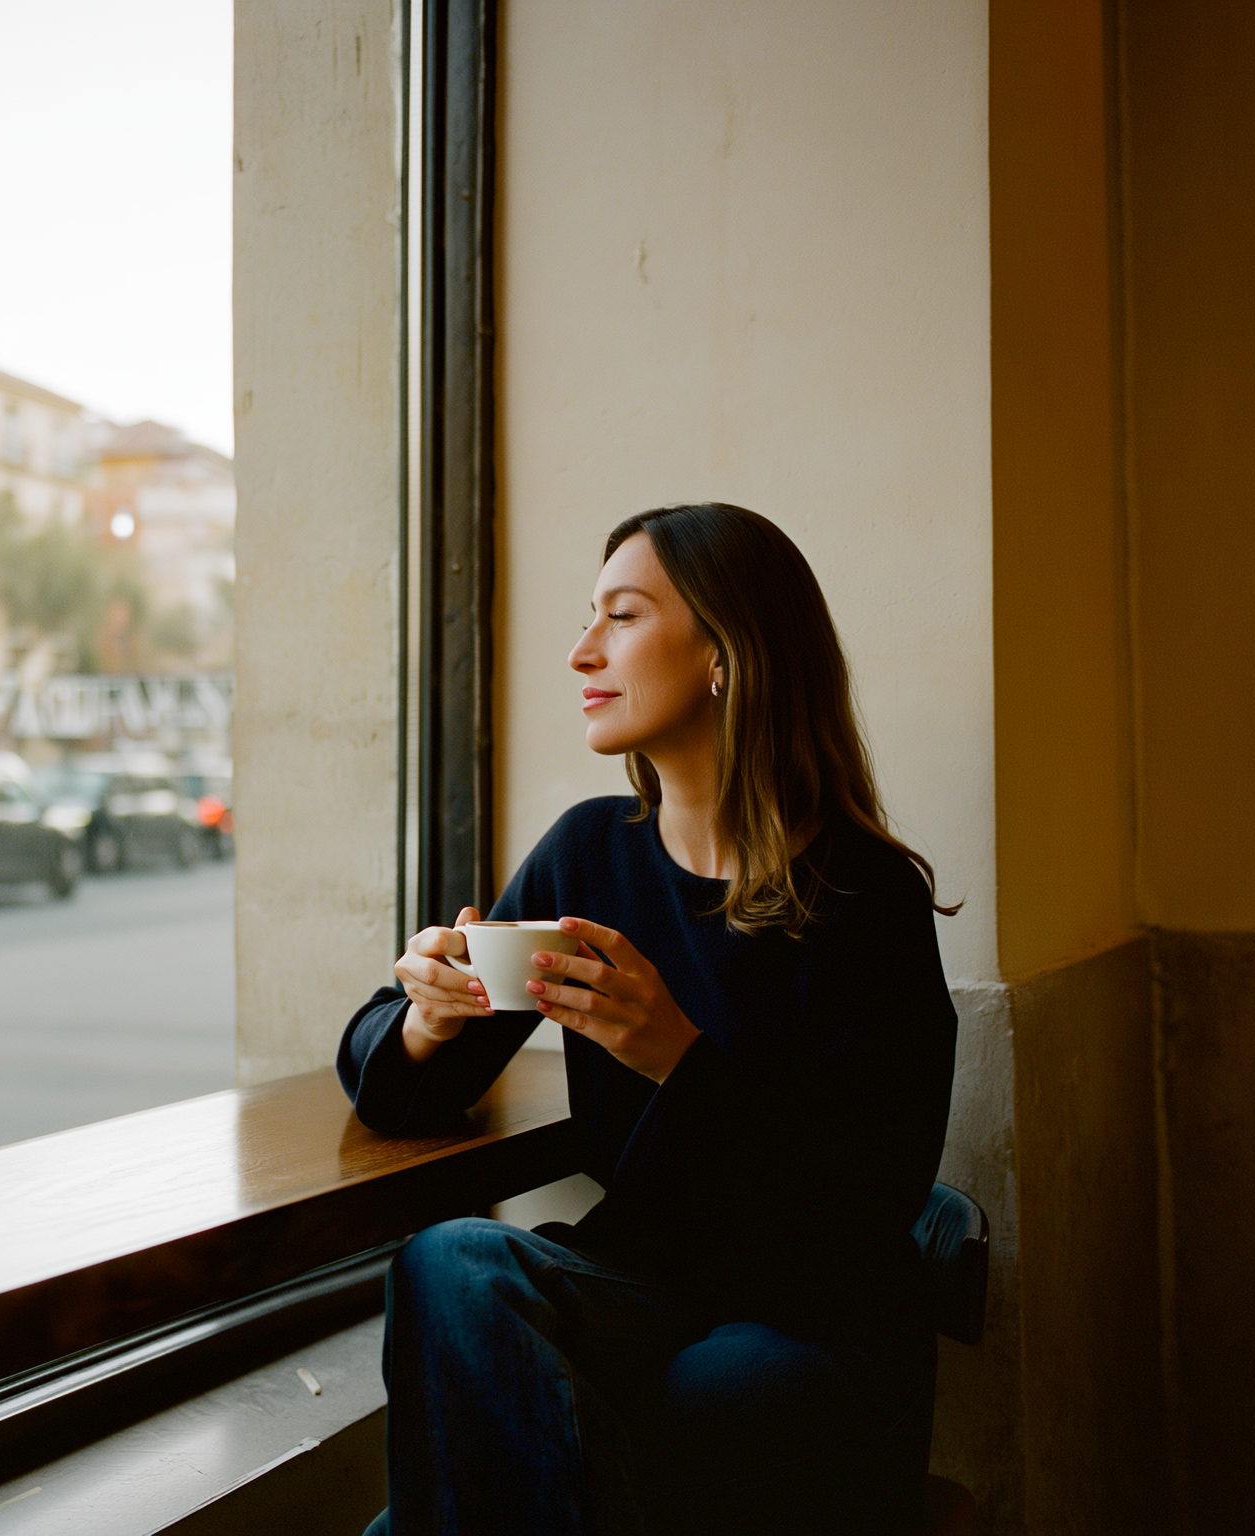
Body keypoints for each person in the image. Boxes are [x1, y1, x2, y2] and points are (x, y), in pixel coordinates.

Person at [339, 503, 960, 1535]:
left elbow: (858, 1208)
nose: (581, 650)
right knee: (447, 1261)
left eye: (619, 617)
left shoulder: (863, 896)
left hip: (812, 1312)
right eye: (590, 618)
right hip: (638, 1284)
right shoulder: (591, 854)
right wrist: (427, 1018)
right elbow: (406, 1090)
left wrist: (676, 1056)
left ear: (725, 651)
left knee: (697, 1394)